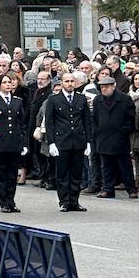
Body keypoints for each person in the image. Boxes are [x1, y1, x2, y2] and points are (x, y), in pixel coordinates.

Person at [44, 71, 92, 212]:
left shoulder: (81, 99)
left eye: (72, 81)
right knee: (63, 173)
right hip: (62, 141)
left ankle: (74, 201)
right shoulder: (54, 99)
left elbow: (86, 121)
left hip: (78, 140)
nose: (70, 84)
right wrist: (51, 142)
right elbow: (50, 122)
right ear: (62, 83)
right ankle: (64, 201)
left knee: (76, 173)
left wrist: (88, 141)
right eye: (67, 81)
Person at [0, 73, 27, 213]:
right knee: (1, 174)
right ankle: (3, 202)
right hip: (0, 142)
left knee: (12, 174)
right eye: (4, 82)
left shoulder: (18, 101)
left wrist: (23, 143)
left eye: (9, 82)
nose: (8, 84)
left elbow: (22, 124)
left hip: (14, 142)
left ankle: (11, 201)